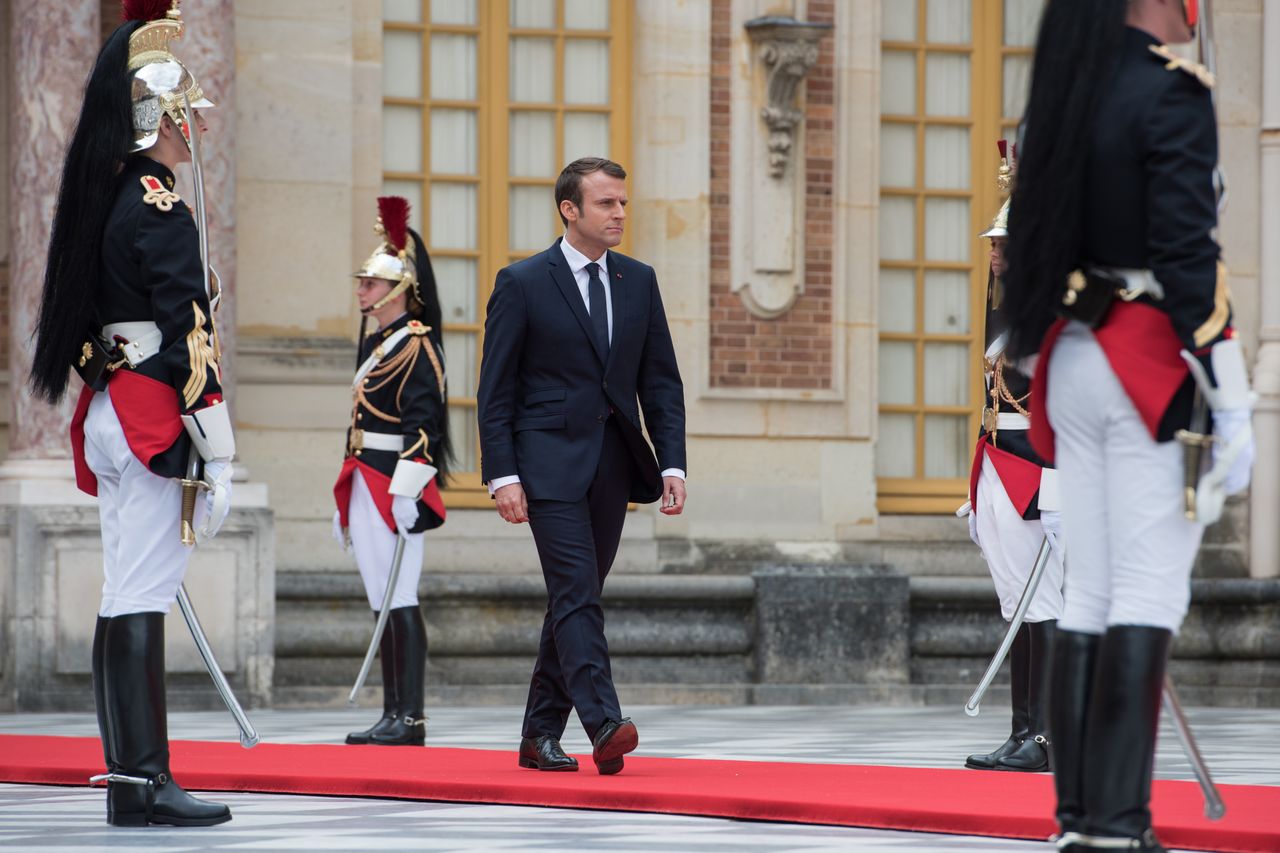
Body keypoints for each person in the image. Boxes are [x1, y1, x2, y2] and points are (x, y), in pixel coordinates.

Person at [1000, 0, 1254, 849]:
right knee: (1148, 590)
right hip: (1143, 359)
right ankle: (1117, 823)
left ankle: (1081, 820)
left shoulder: (1065, 88)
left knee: (1092, 592)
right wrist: (1230, 389)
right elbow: (1187, 254)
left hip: (1071, 356)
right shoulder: (1168, 89)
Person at [30, 0, 233, 827]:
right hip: (154, 417)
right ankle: (147, 780)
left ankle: (127, 780)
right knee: (142, 592)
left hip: (110, 408)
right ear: (165, 118)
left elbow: (83, 329)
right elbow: (190, 331)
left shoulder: (105, 200)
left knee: (123, 590)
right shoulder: (158, 206)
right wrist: (218, 445)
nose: (197, 131)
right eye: (190, 116)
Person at [477, 157, 687, 775]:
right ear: (570, 210)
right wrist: (502, 475)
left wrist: (672, 463)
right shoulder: (521, 282)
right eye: (606, 203)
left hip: (615, 464)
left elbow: (661, 381)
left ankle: (538, 734)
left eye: (622, 203)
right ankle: (605, 723)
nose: (619, 213)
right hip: (545, 466)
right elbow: (495, 390)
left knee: (576, 597)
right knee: (575, 591)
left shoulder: (639, 280)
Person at [333, 196, 451, 747]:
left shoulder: (417, 346)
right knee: (381, 598)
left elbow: (424, 428)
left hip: (394, 485)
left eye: (371, 283)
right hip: (364, 477)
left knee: (399, 597)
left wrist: (407, 492)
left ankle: (410, 718)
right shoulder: (379, 343)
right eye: (362, 282)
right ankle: (392, 713)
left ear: (399, 289)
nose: (361, 291)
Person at [962, 145, 1065, 774]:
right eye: (994, 244)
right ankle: (1021, 731)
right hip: (1000, 463)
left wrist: (1060, 481)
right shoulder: (1003, 306)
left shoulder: (1051, 313)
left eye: (1004, 245)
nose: (995, 254)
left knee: (1042, 601)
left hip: (1039, 469)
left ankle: (1046, 738)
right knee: (1016, 603)